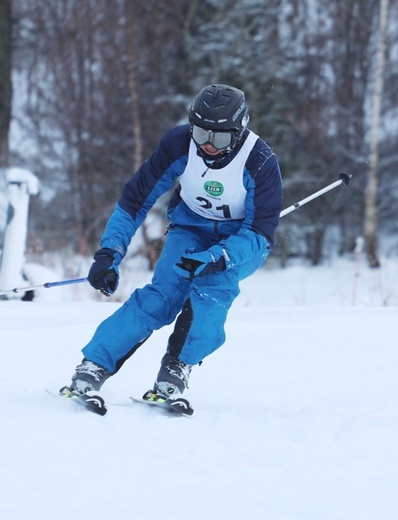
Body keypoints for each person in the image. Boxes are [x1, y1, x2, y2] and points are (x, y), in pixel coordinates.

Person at [60, 84, 283, 407]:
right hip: (191, 228)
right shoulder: (179, 144)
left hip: (241, 241)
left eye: (219, 138)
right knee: (163, 294)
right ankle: (94, 364)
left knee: (213, 288)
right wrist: (110, 252)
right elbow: (134, 201)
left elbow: (260, 234)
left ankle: (176, 368)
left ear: (239, 129)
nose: (207, 145)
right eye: (201, 133)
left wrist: (219, 256)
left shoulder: (260, 162)